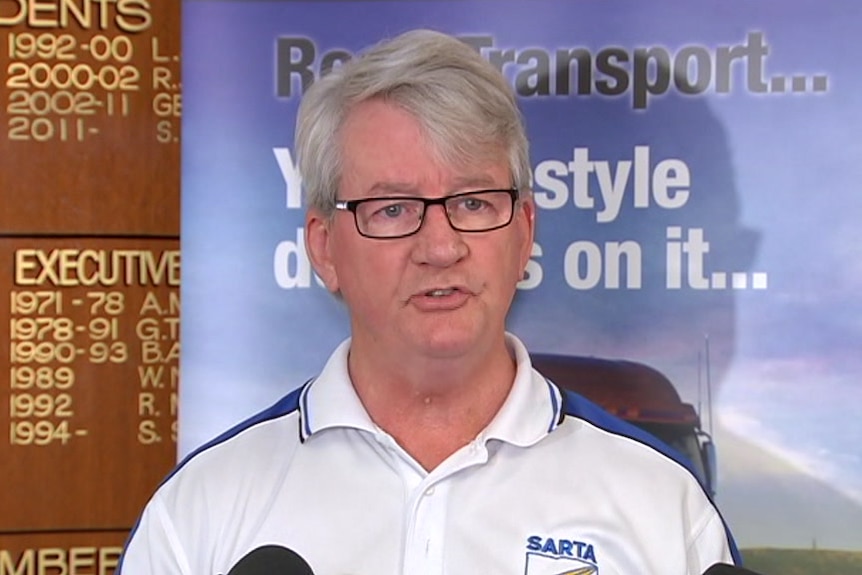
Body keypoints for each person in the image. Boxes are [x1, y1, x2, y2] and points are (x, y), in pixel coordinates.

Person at [119, 29, 741, 574]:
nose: (441, 247)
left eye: (473, 203)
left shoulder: (664, 504)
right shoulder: (201, 509)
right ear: (324, 248)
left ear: (523, 232)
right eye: (393, 209)